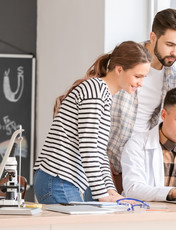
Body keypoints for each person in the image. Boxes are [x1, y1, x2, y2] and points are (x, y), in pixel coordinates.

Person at [33, 41, 152, 204]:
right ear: (119, 69)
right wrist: (102, 195)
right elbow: (88, 148)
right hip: (57, 179)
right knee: (78, 229)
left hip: (62, 181)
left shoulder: (103, 94)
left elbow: (99, 152)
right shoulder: (95, 91)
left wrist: (111, 191)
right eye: (138, 76)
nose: (141, 83)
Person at [108, 8, 176, 191]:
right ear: (153, 37)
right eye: (170, 44)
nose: (175, 52)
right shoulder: (125, 59)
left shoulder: (174, 77)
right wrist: (101, 160)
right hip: (107, 165)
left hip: (140, 166)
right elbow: (97, 109)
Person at [121, 88, 176, 201]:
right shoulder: (136, 145)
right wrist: (174, 193)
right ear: (163, 115)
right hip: (145, 215)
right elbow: (132, 190)